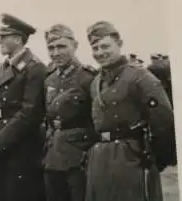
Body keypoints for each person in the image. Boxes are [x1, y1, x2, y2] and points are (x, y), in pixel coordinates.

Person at [84, 21, 175, 201]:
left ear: (119, 44)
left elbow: (164, 119)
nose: (100, 52)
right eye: (95, 48)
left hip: (131, 157)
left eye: (105, 46)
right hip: (101, 159)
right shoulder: (96, 82)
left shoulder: (139, 76)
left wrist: (156, 159)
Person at [0, 13, 47, 201]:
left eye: (4, 37)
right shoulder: (2, 68)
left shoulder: (35, 68)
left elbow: (29, 113)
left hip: (20, 148)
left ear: (18, 39)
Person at [43, 24, 98, 201]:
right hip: (53, 155)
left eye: (61, 46)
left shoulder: (88, 78)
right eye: (51, 48)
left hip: (78, 157)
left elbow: (97, 120)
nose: (56, 52)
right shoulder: (50, 78)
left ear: (75, 46)